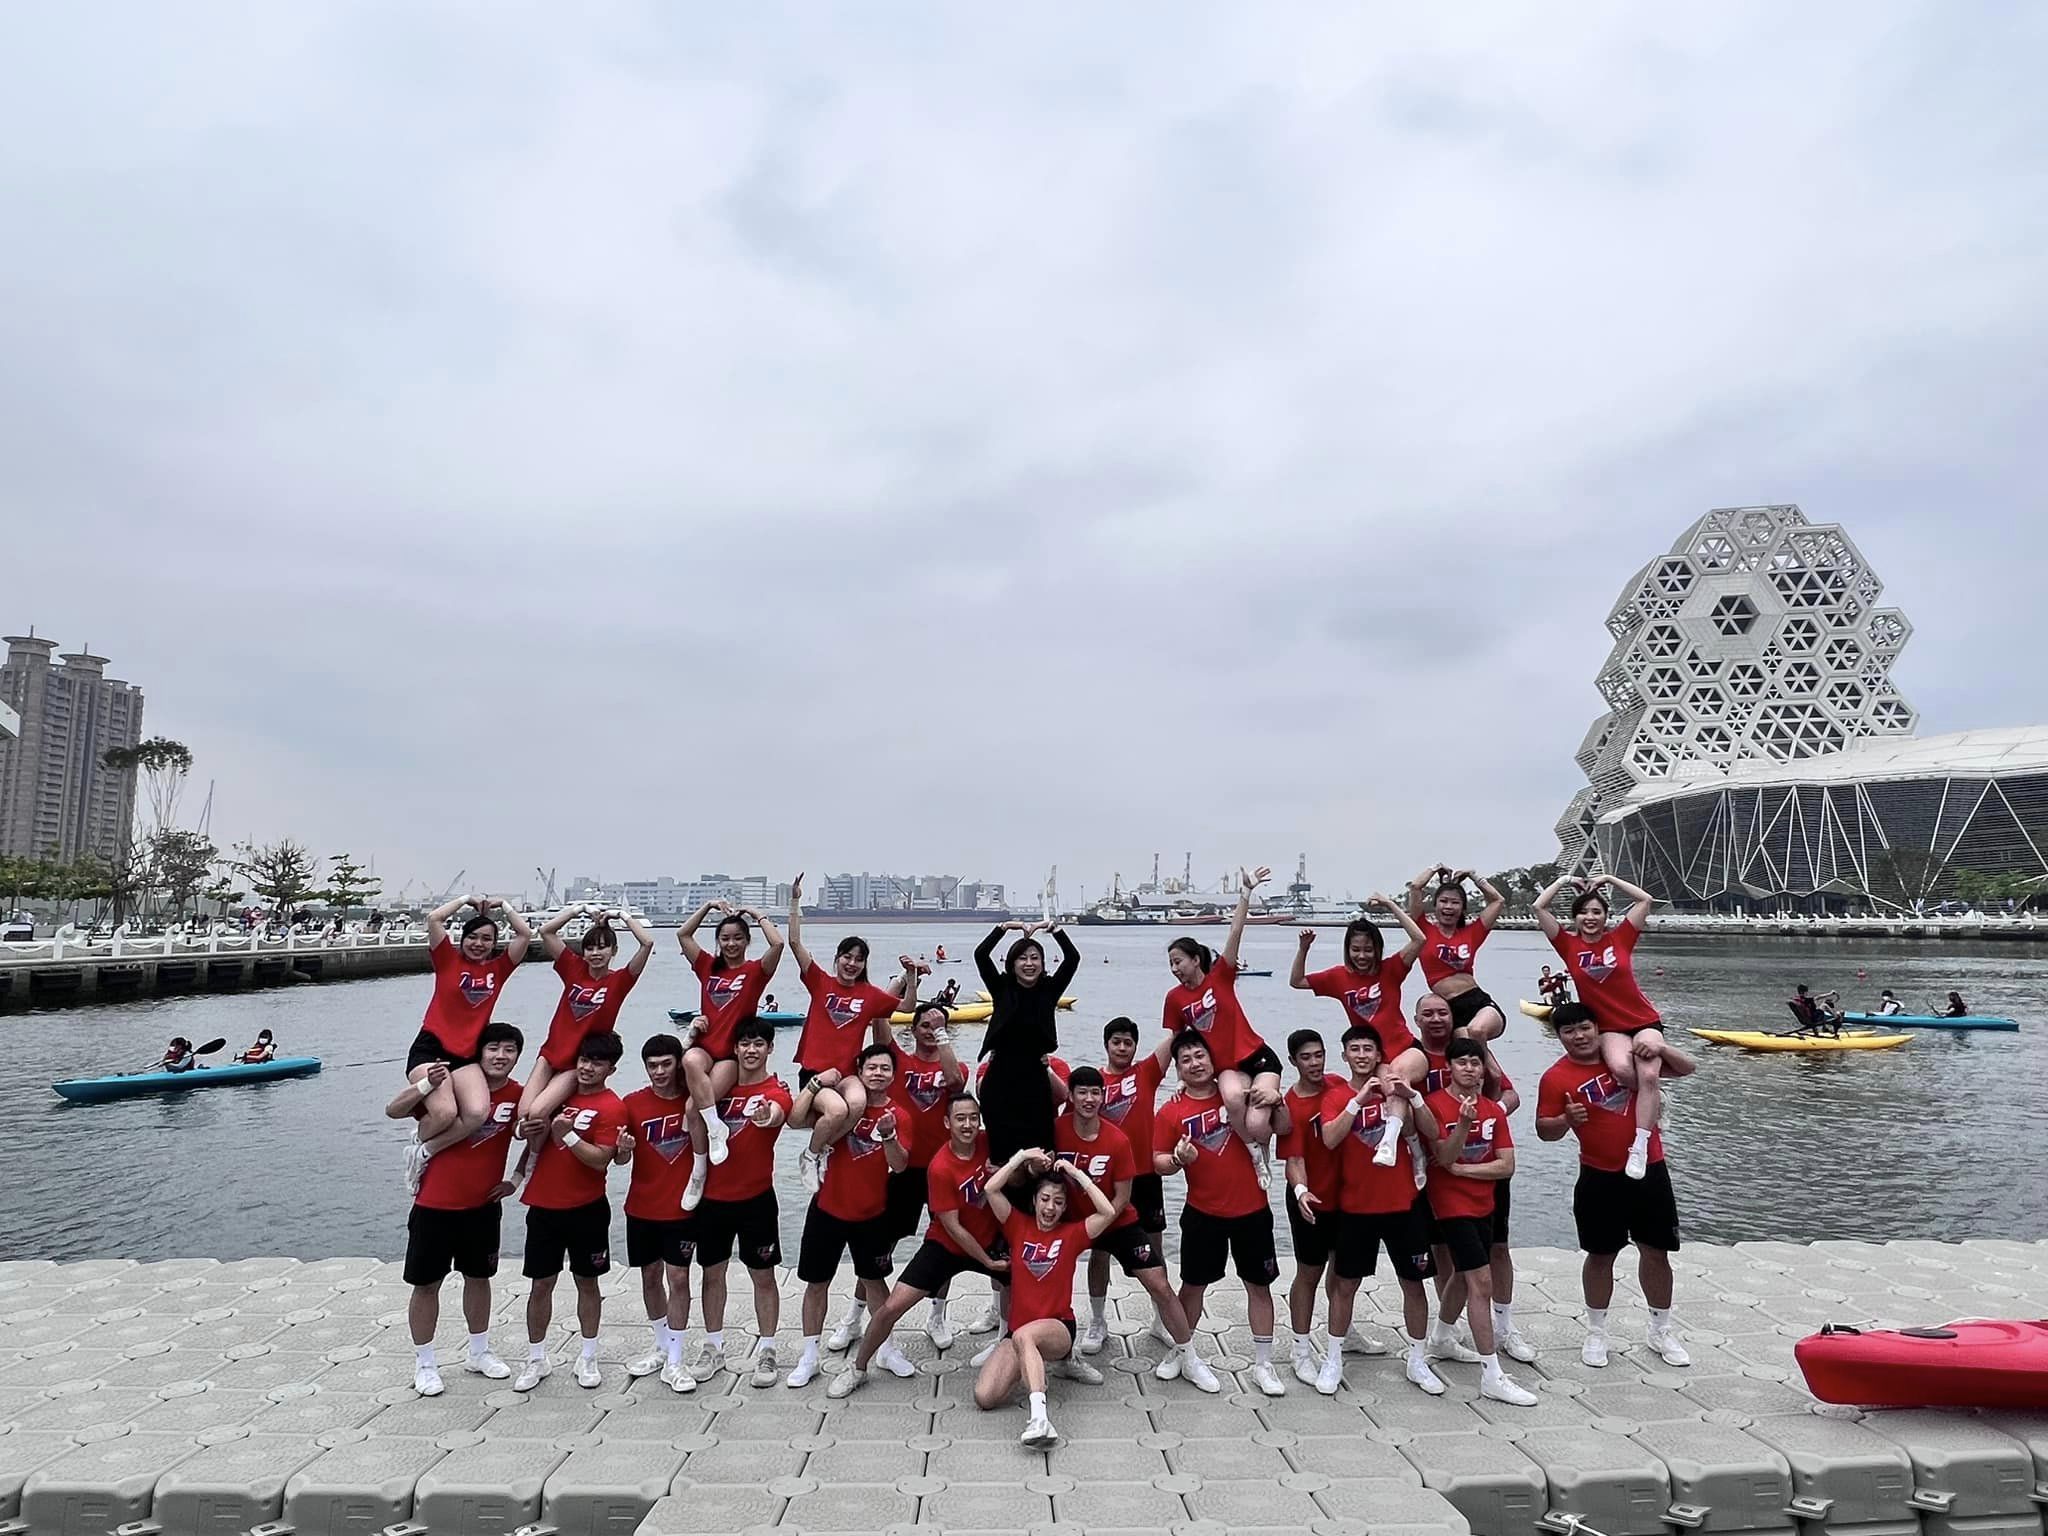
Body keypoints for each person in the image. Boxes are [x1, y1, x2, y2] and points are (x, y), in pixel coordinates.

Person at [1535, 1003, 1690, 1368]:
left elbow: (1686, 1068)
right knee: (1600, 1255)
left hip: (1649, 1169)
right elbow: (1544, 1131)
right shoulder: (1555, 1077)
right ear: (1559, 1037)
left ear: (1597, 1028)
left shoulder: (1625, 1059)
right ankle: (1596, 1331)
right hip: (1598, 1175)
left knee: (1656, 1252)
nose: (1579, 1036)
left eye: (1585, 1027)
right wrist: (1565, 1119)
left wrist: (1660, 1046)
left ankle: (1660, 1330)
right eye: (1569, 1031)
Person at [830, 1091, 1010, 1398]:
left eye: (973, 1118)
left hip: (990, 1240)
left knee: (1023, 1283)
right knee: (890, 1308)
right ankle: (857, 1367)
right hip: (947, 1245)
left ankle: (1008, 1345)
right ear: (947, 1122)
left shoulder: (989, 1144)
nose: (968, 1125)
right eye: (960, 1119)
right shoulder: (940, 1166)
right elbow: (953, 1227)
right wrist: (988, 1262)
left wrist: (1010, 1170)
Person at [386, 1020, 526, 1396]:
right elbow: (394, 1110)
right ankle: (425, 1364)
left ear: (517, 1056)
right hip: (435, 1206)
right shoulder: (449, 1088)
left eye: (509, 1050)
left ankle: (479, 1352)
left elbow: (536, 1135)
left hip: (482, 1207)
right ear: (479, 1053)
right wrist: (425, 1084)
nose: (500, 1056)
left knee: (479, 1279)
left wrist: (516, 1179)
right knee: (426, 1285)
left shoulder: (518, 1094)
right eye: (493, 1048)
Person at [1054, 1065, 1214, 1390]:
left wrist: (1097, 1226)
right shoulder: (1055, 1131)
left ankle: (1188, 1355)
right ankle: (1080, 1337)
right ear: (1070, 1096)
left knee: (1159, 1283)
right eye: (1082, 1092)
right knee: (1051, 1280)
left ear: (1103, 1097)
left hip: (1116, 1220)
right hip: (1073, 1222)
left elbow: (1122, 1197)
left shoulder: (1117, 1139)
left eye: (1095, 1093)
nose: (1089, 1099)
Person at [1533, 873, 1695, 1180]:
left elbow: (1646, 900)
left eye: (1597, 912)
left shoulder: (1620, 937)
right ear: (1575, 918)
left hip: (1642, 1019)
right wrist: (1565, 879)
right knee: (1622, 1070)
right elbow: (1539, 907)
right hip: (1608, 1027)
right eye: (1584, 912)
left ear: (1606, 917)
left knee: (1648, 1073)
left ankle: (1640, 1145)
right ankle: (1655, 1097)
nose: (1590, 917)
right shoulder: (1567, 945)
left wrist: (1609, 878)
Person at [1153, 1030, 1285, 1396]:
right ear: (1177, 1070)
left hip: (1252, 1211)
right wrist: (1177, 1159)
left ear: (1214, 1060)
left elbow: (1279, 1126)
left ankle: (1264, 1364)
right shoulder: (1171, 1110)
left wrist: (1276, 1099)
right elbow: (1157, 1160)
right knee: (1192, 1285)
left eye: (1200, 1056)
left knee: (1259, 1287)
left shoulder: (1239, 1096)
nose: (1195, 1064)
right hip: (1202, 1213)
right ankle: (1183, 1351)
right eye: (1186, 1060)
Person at [1316, 1027, 1445, 1398]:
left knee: (1413, 1283)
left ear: (1378, 1055)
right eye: (1354, 1049)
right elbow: (1330, 1139)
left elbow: (1430, 1131)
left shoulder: (1395, 1091)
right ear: (1345, 1055)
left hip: (1403, 1204)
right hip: (1356, 1206)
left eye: (1368, 1049)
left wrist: (1410, 1098)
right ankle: (1334, 1358)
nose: (1361, 1055)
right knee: (1345, 1285)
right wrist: (1357, 1101)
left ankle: (1417, 1360)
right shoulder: (1336, 1096)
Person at [975, 1148, 1121, 1448]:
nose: (1050, 1207)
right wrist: (1020, 1157)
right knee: (985, 1397)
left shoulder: (1072, 1234)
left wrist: (1076, 1174)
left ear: (1065, 1207)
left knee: (1026, 1336)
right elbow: (991, 1189)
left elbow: (1107, 1212)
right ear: (1034, 1201)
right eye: (1045, 1199)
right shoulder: (1017, 1225)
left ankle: (1040, 1419)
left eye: (1058, 1201)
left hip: (1058, 1327)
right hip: (1018, 1332)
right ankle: (1034, 1368)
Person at [787, 878, 924, 1193]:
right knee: (837, 1110)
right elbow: (795, 943)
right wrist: (795, 901)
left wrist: (911, 977)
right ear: (837, 958)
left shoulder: (869, 995)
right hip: (816, 1072)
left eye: (858, 959)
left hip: (848, 1074)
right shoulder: (820, 982)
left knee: (858, 1103)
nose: (851, 963)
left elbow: (907, 1006)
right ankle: (811, 1154)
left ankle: (823, 1148)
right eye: (847, 957)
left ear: (864, 964)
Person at [1421, 1037, 1536, 1406]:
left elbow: (1506, 1165)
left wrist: (1464, 1171)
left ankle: (1441, 1337)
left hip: (1484, 1204)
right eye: (1462, 1062)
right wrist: (1462, 1126)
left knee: (1463, 1274)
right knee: (1481, 1282)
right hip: (1449, 1205)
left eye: (1475, 1062)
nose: (1469, 1069)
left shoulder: (1493, 1110)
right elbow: (1443, 1156)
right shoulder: (1434, 1105)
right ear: (1449, 1068)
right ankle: (1492, 1375)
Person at [512, 1030, 627, 1392]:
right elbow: (528, 1132)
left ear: (611, 1069)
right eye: (583, 1060)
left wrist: (569, 1135)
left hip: (587, 1209)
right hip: (544, 1208)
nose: (587, 1068)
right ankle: (536, 1358)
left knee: (587, 1282)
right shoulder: (556, 1097)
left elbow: (601, 1160)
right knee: (540, 1284)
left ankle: (588, 1356)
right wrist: (521, 1150)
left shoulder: (612, 1106)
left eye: (597, 1063)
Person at [789, 1044, 909, 1387]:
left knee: (875, 1282)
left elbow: (900, 1165)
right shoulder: (838, 1108)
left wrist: (889, 1135)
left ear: (893, 1075)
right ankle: (809, 1356)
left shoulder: (900, 1114)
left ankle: (886, 1348)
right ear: (859, 1069)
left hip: (871, 1213)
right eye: (871, 1067)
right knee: (817, 1283)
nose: (878, 1074)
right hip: (827, 1209)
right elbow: (795, 1120)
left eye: (885, 1068)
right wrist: (814, 1085)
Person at [685, 1015, 792, 1387]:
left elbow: (778, 1112)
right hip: (713, 1199)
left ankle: (768, 1350)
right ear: (734, 1048)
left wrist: (766, 1116)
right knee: (712, 1274)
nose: (751, 1050)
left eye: (759, 1043)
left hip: (756, 1200)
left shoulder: (775, 1089)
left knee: (763, 1276)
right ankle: (713, 1347)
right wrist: (692, 1037)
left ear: (769, 1048)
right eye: (745, 1043)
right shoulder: (716, 1090)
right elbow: (686, 1079)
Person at [1162, 866, 1284, 1182]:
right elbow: (1178, 1042)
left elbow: (1235, 933)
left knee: (1257, 1122)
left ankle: (1265, 1143)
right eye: (1171, 964)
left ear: (1195, 960)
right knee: (1231, 1099)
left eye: (1178, 961)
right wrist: (1180, 1079)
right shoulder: (1174, 999)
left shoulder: (1221, 976)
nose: (1174, 968)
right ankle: (1254, 1153)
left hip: (1257, 1055)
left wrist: (1246, 892)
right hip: (1227, 1066)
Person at [404, 895, 534, 1190]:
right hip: (431, 1048)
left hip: (466, 1055)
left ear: (494, 943)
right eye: (473, 937)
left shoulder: (499, 970)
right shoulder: (447, 960)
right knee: (446, 1112)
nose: (479, 943)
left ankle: (423, 1151)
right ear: (462, 940)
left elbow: (525, 934)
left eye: (487, 939)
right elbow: (434, 919)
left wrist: (504, 906)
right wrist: (465, 900)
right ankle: (421, 1135)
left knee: (477, 1113)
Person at [1291, 899, 1431, 1172]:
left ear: (1377, 949)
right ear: (1347, 950)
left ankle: (1391, 1144)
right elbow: (1297, 981)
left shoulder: (1391, 969)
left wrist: (1391, 905)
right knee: (1392, 1089)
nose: (1362, 955)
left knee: (1396, 1078)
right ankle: (1416, 1150)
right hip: (1377, 1057)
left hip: (1407, 1049)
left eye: (1368, 949)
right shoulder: (1338, 977)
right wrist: (1303, 949)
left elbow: (1420, 939)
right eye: (1356, 949)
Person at [1078, 1019, 1176, 1356]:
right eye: (1116, 1041)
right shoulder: (1094, 1084)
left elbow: (1176, 1035)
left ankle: (1160, 1320)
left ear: (1135, 1046)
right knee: (1099, 1251)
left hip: (1145, 1176)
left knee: (1155, 1250)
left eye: (1128, 1042)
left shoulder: (1146, 1073)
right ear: (1106, 1044)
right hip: (1104, 1179)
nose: (1122, 1047)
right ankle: (1097, 1321)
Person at [676, 896, 786, 1173]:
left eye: (738, 938)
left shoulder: (754, 972)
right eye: (725, 939)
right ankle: (715, 1128)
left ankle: (699, 1169)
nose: (731, 944)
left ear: (747, 941)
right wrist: (708, 906)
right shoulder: (707, 967)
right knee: (689, 1060)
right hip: (705, 1046)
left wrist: (757, 914)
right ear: (718, 942)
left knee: (691, 1110)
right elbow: (683, 935)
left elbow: (778, 945)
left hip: (729, 1055)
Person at [522, 906, 655, 1128]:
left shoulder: (619, 981)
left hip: (580, 1061)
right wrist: (579, 909)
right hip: (550, 1052)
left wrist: (621, 915)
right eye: (590, 948)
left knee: (537, 1112)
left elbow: (647, 943)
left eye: (602, 948)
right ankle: (533, 1150)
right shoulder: (574, 969)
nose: (595, 953)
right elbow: (546, 932)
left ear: (614, 950)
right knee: (524, 1113)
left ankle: (542, 1149)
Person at [884, 1001, 969, 1348]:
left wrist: (941, 1032)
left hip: (942, 1171)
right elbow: (878, 1021)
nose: (931, 1032)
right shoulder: (898, 1063)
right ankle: (860, 1313)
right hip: (903, 1166)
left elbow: (956, 1082)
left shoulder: (954, 1065)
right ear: (913, 1029)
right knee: (881, 1241)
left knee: (944, 1245)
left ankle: (937, 1315)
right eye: (925, 1026)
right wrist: (907, 982)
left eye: (938, 1027)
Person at [618, 1033, 698, 1394]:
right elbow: (621, 1159)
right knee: (650, 1277)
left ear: (678, 1064)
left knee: (678, 1279)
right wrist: (623, 1149)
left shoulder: (693, 1101)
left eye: (666, 1064)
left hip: (681, 1208)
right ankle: (662, 1346)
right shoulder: (632, 1103)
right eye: (653, 1066)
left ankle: (677, 1360)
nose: (659, 1072)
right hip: (641, 1207)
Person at [1275, 1027, 1353, 1385]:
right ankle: (1300, 1349)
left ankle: (1344, 1332)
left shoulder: (1338, 1085)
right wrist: (1301, 1190)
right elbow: (1293, 1160)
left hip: (1347, 1198)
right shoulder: (1290, 1105)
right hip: (1311, 1200)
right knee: (1309, 1273)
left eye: (1319, 1055)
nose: (1314, 1063)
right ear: (1293, 1061)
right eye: (1306, 1057)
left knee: (1343, 1270)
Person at [974, 918, 1082, 1162]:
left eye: (1035, 958)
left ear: (1042, 963)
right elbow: (981, 955)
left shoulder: (1050, 989)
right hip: (1000, 1077)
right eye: (1022, 958)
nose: (1029, 964)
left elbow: (1073, 958)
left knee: (1041, 1152)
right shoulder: (1001, 987)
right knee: (1002, 1157)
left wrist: (1053, 929)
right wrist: (1004, 927)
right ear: (1012, 964)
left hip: (1035, 1075)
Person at [1407, 866, 1508, 1042]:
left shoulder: (1472, 933)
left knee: (1476, 1031)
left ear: (1462, 908)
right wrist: (1435, 868)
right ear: (1435, 905)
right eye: (1443, 901)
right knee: (1467, 1049)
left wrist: (1473, 876)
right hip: (1451, 1010)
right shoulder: (1423, 931)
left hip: (1479, 1004)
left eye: (1455, 902)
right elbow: (1416, 887)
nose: (1448, 906)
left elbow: (1498, 901)